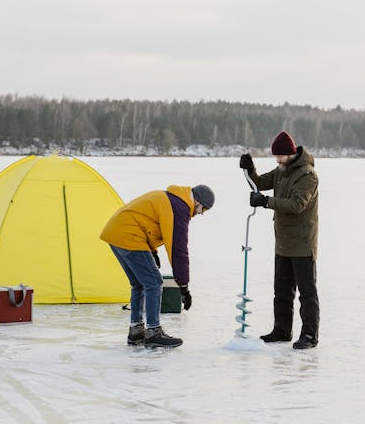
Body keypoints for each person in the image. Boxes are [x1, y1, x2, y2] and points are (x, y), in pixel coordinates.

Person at [100, 184, 215, 349]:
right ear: (196, 201)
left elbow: (146, 221)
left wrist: (152, 252)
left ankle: (136, 331)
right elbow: (178, 249)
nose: (201, 213)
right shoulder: (179, 207)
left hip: (116, 232)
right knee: (154, 283)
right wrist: (183, 286)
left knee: (139, 283)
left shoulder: (172, 199)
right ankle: (153, 332)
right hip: (129, 235)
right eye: (203, 208)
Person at [240, 131, 320, 350]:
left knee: (307, 293)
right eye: (275, 156)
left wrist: (265, 202)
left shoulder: (307, 176)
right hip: (283, 243)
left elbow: (296, 205)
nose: (277, 160)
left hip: (303, 244)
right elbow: (258, 183)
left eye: (280, 156)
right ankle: (282, 330)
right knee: (282, 291)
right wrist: (249, 169)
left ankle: (309, 335)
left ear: (291, 154)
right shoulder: (280, 172)